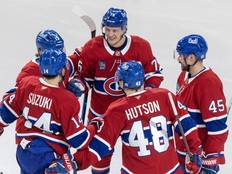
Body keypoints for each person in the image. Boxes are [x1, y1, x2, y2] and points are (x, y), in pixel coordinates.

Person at [47, 60, 202, 174]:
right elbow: (187, 126)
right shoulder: (164, 95)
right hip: (171, 171)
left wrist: (74, 163)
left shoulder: (117, 109)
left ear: (120, 82)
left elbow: (101, 147)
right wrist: (196, 153)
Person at [67, 7, 164, 174]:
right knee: (99, 157)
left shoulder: (141, 47)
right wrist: (80, 85)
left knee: (139, 155)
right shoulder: (92, 48)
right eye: (107, 29)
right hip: (101, 114)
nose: (110, 34)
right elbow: (85, 77)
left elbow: (154, 74)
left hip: (132, 113)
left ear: (124, 29)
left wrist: (146, 95)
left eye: (115, 30)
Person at [0, 48, 99, 174]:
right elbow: (79, 139)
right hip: (49, 156)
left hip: (23, 152)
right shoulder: (67, 99)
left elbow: (5, 112)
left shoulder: (27, 84)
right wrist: (95, 126)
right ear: (63, 70)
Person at [174, 34, 229, 173]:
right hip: (184, 153)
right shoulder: (184, 76)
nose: (179, 59)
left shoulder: (209, 83)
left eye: (181, 55)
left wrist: (208, 162)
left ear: (191, 58)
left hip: (198, 159)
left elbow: (218, 130)